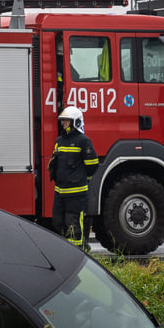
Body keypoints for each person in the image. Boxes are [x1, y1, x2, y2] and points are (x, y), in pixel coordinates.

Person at [48, 106, 98, 250]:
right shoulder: (60, 140)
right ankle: (66, 250)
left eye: (66, 121)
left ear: (75, 122)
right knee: (58, 221)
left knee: (73, 225)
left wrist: (79, 178)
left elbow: (92, 165)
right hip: (60, 191)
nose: (63, 123)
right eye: (63, 120)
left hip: (76, 193)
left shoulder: (83, 141)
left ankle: (79, 252)